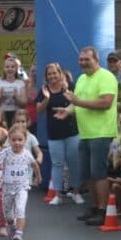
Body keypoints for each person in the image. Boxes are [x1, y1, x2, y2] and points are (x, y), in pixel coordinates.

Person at [54, 47, 118, 225]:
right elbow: (76, 102)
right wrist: (67, 111)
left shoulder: (106, 77)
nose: (83, 62)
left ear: (96, 59)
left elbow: (106, 103)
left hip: (101, 132)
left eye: (87, 59)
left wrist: (78, 102)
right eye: (81, 59)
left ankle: (103, 210)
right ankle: (94, 207)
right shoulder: (82, 78)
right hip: (85, 133)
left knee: (98, 173)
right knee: (87, 173)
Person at [35, 63, 84, 205]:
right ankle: (57, 195)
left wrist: (68, 92)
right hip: (54, 133)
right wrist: (46, 99)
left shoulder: (70, 86)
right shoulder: (44, 89)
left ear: (60, 73)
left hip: (72, 131)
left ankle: (76, 192)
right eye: (49, 74)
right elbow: (39, 110)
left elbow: (79, 103)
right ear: (46, 76)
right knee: (57, 164)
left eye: (54, 73)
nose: (52, 76)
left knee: (74, 163)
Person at [0, 125, 42, 240]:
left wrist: (38, 177)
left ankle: (19, 235)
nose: (17, 142)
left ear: (25, 140)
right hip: (7, 188)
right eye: (13, 140)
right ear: (9, 140)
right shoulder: (5, 153)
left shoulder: (27, 154)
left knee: (20, 209)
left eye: (20, 140)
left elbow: (35, 165)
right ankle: (12, 225)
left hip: (22, 188)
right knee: (8, 216)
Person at [0, 56, 27, 128]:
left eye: (12, 67)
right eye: (7, 67)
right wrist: (1, 97)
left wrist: (16, 98)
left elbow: (24, 104)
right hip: (1, 114)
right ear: (4, 69)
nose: (10, 69)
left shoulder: (20, 83)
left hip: (16, 115)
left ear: (16, 69)